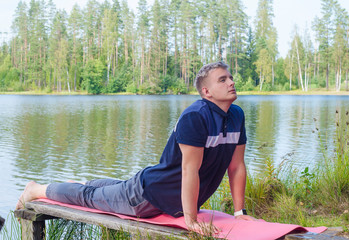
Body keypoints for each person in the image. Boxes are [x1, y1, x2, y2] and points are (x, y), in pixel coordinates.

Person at [16, 62, 256, 232]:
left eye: (230, 77)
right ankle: (36, 189)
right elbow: (189, 172)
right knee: (88, 198)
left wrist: (239, 214)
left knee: (109, 190)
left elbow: (236, 167)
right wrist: (191, 221)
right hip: (146, 198)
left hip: (156, 189)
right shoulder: (195, 116)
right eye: (222, 80)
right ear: (206, 91)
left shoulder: (236, 115)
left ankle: (87, 182)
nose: (231, 82)